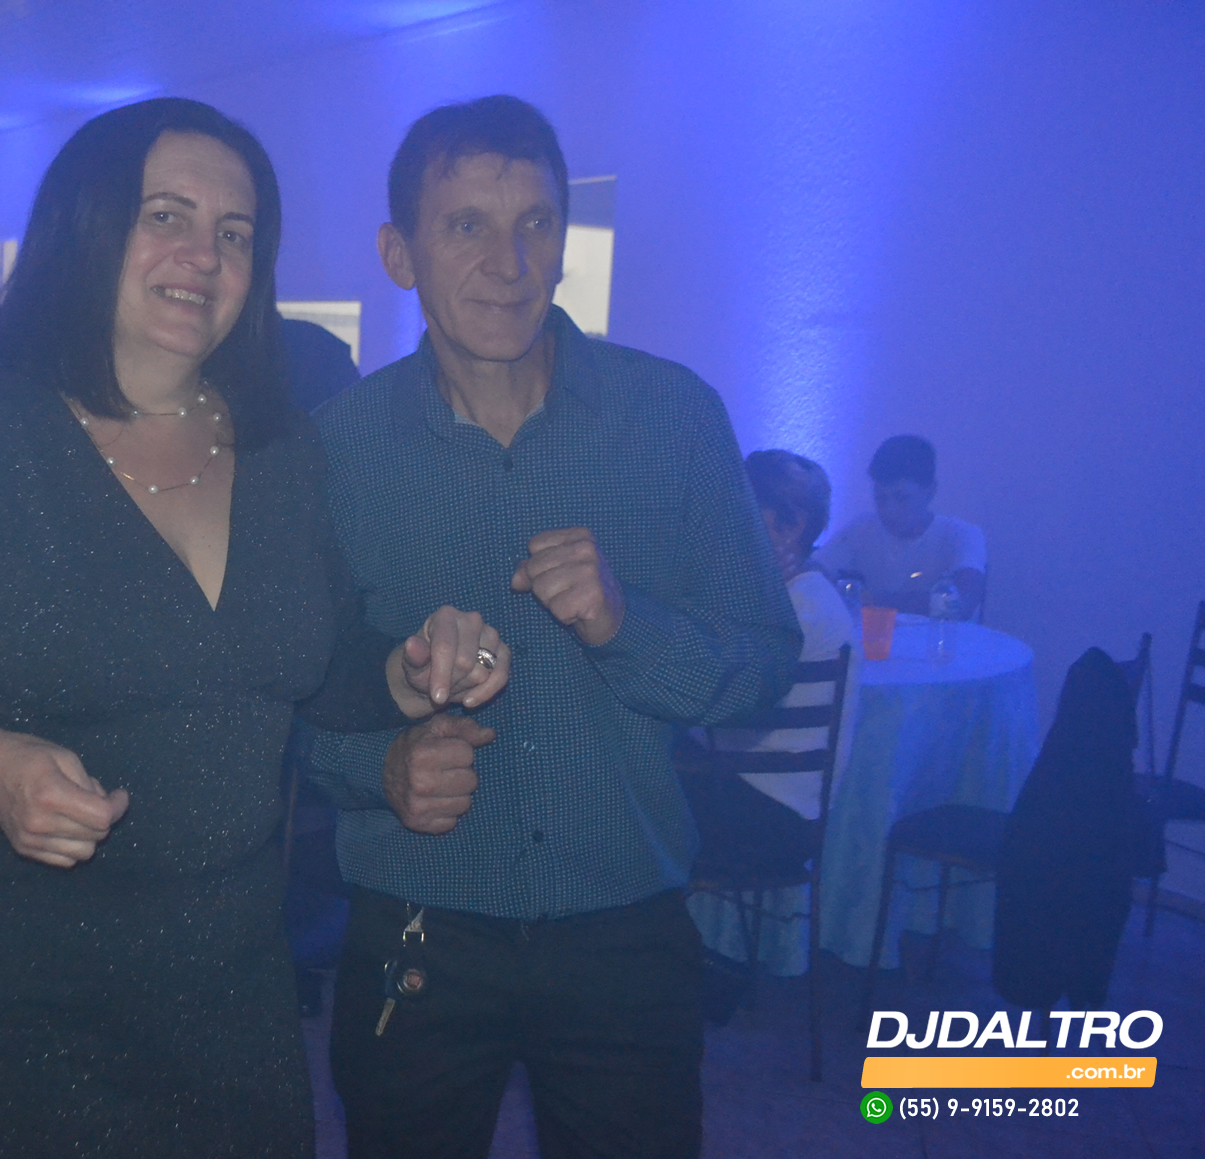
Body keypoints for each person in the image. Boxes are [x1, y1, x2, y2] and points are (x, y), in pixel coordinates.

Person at [0, 98, 510, 1158]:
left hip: (235, 991)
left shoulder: (281, 450)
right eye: (166, 215)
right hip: (25, 1000)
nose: (204, 255)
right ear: (89, 224)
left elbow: (316, 663)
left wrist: (410, 671)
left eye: (234, 232)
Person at [309, 96, 799, 1159]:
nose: (510, 262)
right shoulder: (332, 450)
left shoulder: (675, 418)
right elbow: (290, 693)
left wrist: (628, 624)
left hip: (625, 925)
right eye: (467, 225)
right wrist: (378, 766)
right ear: (398, 253)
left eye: (536, 222)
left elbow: (764, 660)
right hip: (417, 924)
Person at [680, 450, 859, 882]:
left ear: (792, 525)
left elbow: (705, 696)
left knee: (621, 784)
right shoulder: (798, 593)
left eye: (740, 510)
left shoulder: (796, 609)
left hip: (767, 818)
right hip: (763, 801)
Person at [813, 434, 986, 617]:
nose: (889, 510)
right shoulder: (860, 529)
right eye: (880, 499)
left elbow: (963, 602)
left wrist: (870, 600)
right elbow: (811, 572)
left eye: (902, 498)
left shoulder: (962, 535)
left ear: (930, 491)